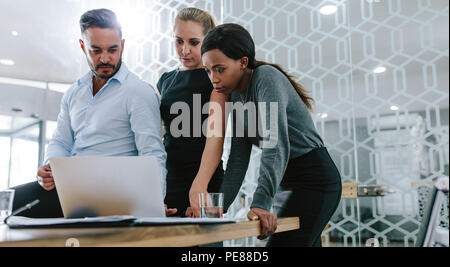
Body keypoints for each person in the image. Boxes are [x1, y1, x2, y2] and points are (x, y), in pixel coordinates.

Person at [11, 8, 175, 218]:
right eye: (96, 51)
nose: (105, 58)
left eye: (112, 50)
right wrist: (50, 168)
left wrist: (154, 204)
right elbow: (61, 142)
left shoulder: (139, 92)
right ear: (83, 46)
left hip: (113, 195)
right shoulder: (73, 93)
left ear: (123, 46)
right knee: (6, 202)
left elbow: (152, 153)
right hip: (68, 189)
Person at [200, 23, 342, 247]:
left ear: (243, 62)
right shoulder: (235, 96)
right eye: (208, 70)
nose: (213, 78)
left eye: (220, 69)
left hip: (315, 180)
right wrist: (219, 207)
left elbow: (275, 145)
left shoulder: (266, 78)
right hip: (286, 182)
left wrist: (260, 203)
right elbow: (238, 158)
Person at [157, 8, 228, 217]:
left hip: (204, 181)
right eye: (179, 41)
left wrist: (200, 186)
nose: (184, 50)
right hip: (170, 181)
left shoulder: (215, 78)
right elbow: (161, 136)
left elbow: (215, 139)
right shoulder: (165, 80)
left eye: (193, 42)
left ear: (208, 40)